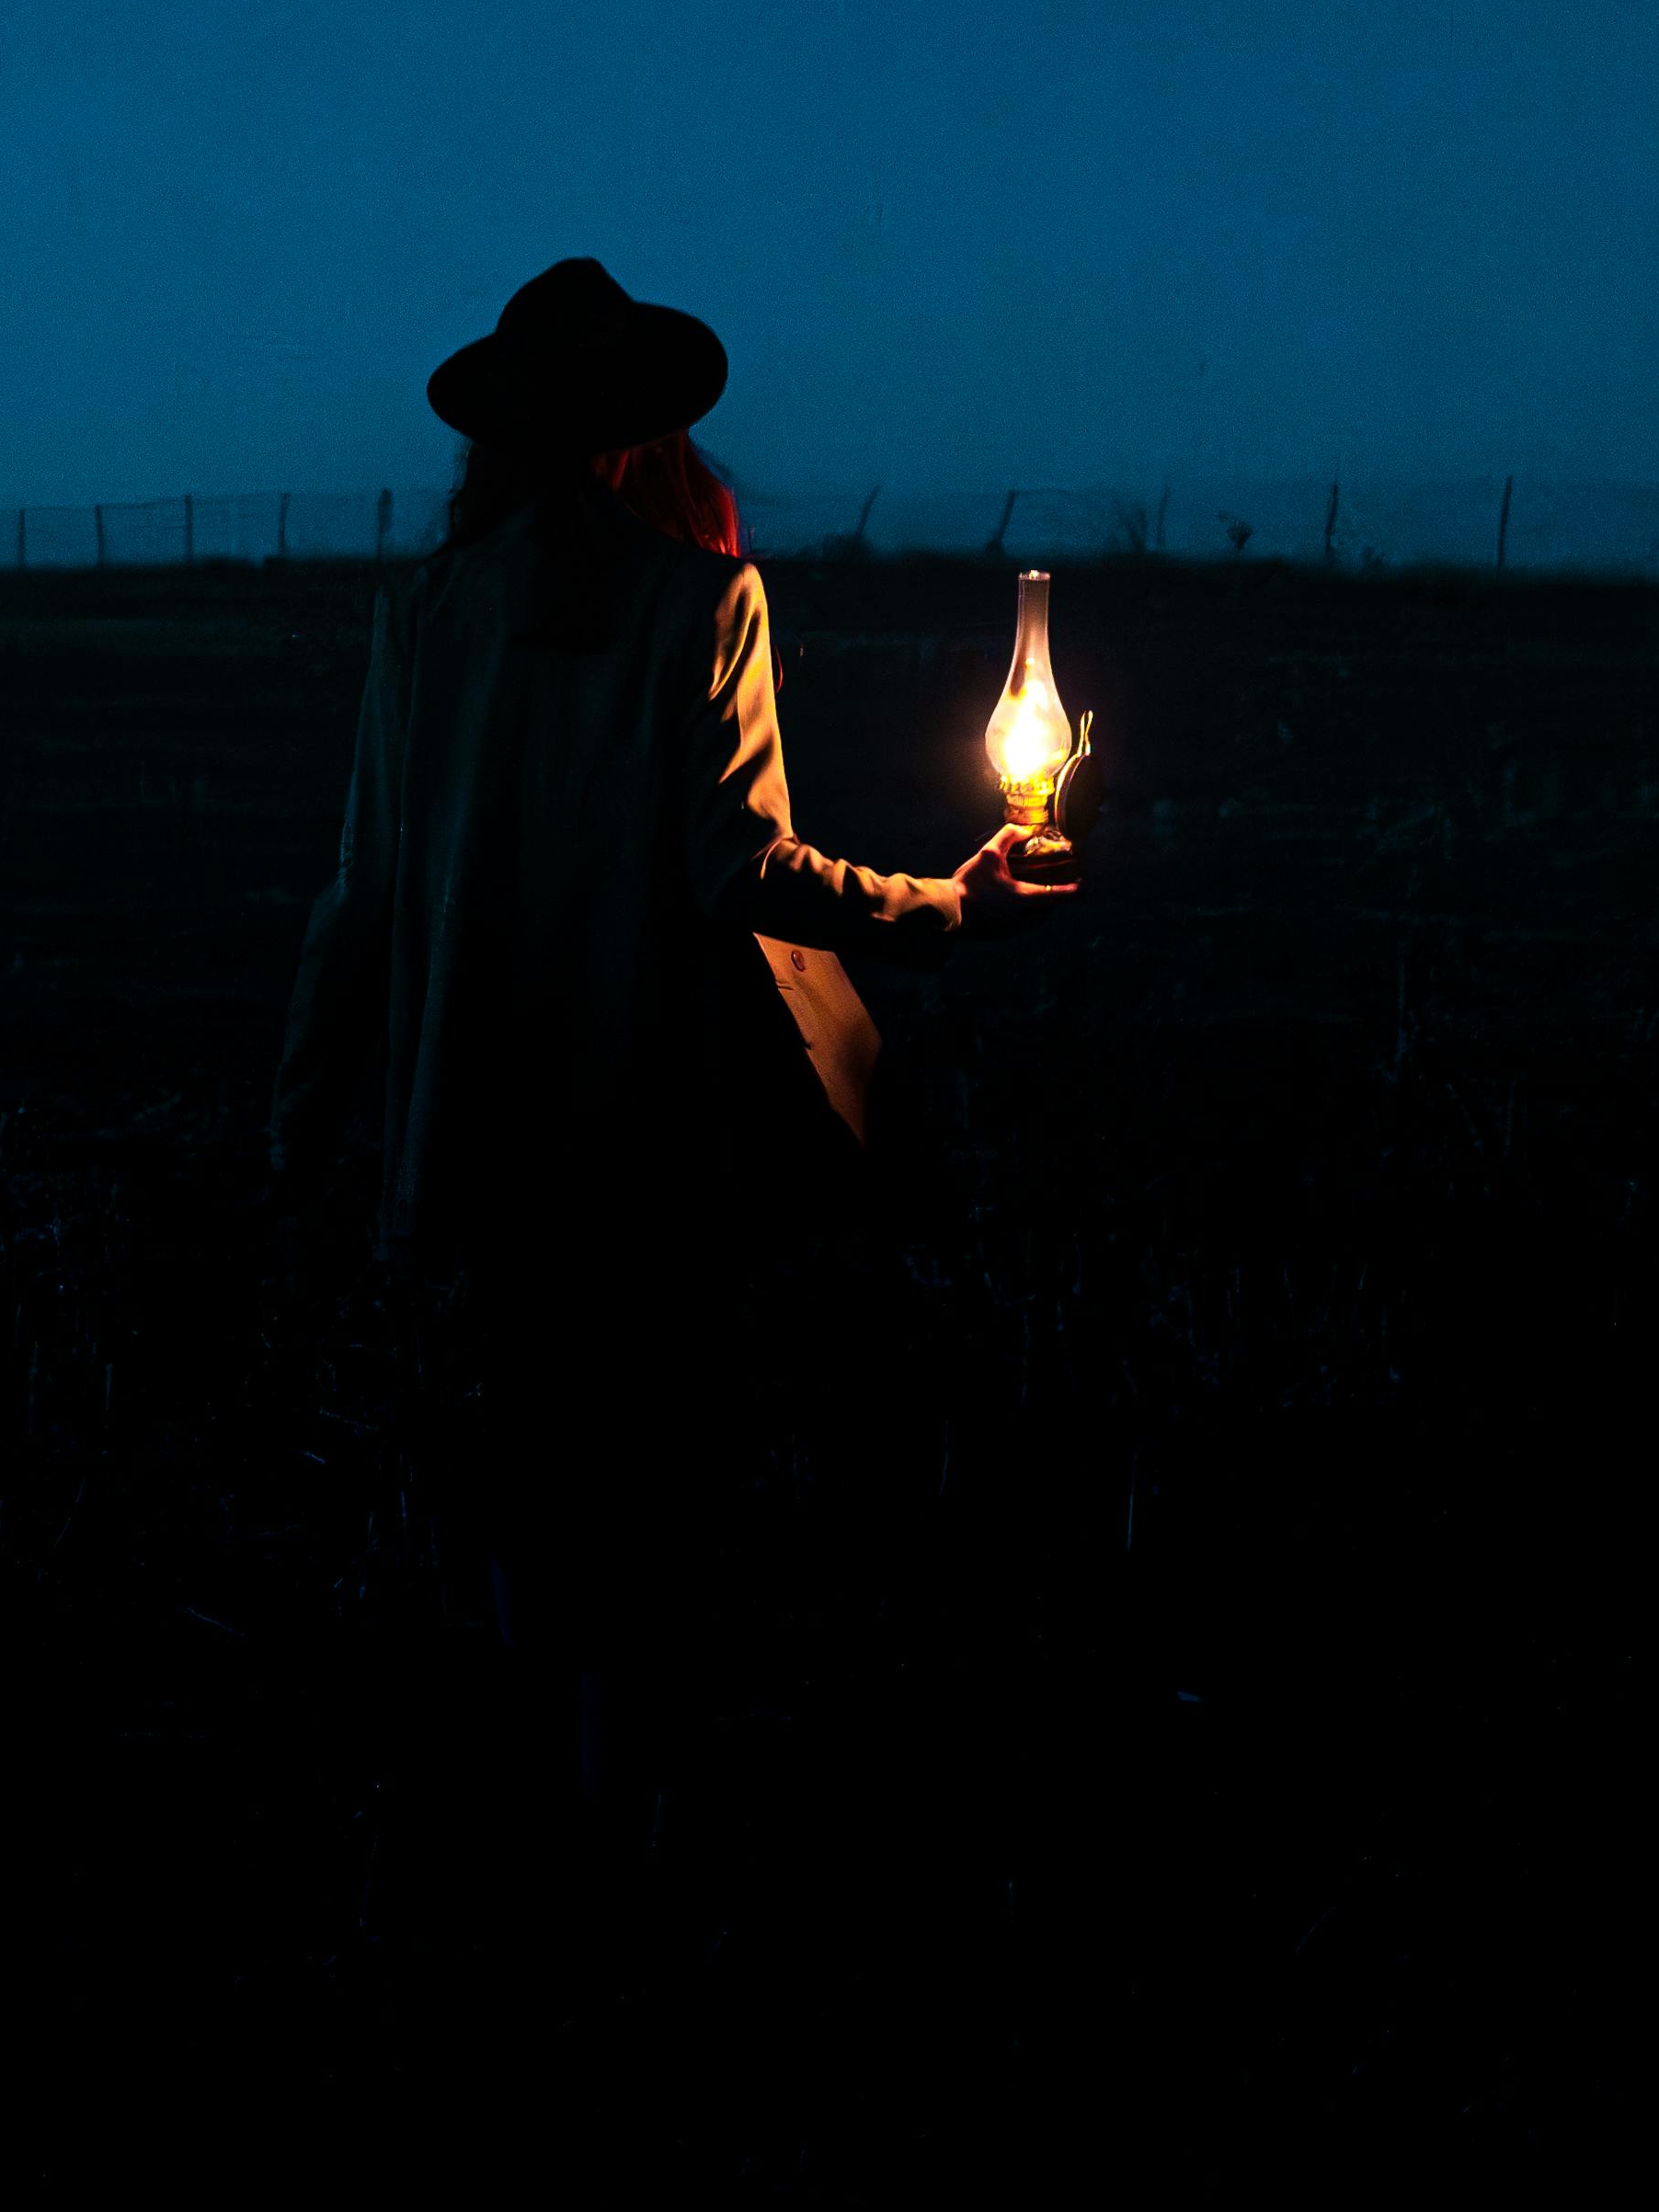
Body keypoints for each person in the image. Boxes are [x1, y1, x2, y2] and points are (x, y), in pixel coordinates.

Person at [275, 258, 1070, 1853]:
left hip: (475, 1119)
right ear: (652, 435)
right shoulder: (700, 601)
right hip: (640, 1123)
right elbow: (738, 870)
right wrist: (945, 906)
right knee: (640, 1460)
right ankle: (615, 1799)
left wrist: (306, 1120)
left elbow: (362, 887)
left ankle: (544, 1797)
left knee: (519, 1441)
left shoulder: (423, 614)